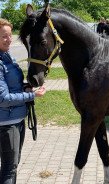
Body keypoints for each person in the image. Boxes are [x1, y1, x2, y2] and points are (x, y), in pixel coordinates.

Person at [0, 18, 46, 184]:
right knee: (9, 169)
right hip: (7, 123)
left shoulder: (7, 57)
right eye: (4, 36)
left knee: (11, 166)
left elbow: (11, 87)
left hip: (17, 120)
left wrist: (25, 87)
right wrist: (32, 96)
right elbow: (3, 98)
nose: (9, 39)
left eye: (10, 35)